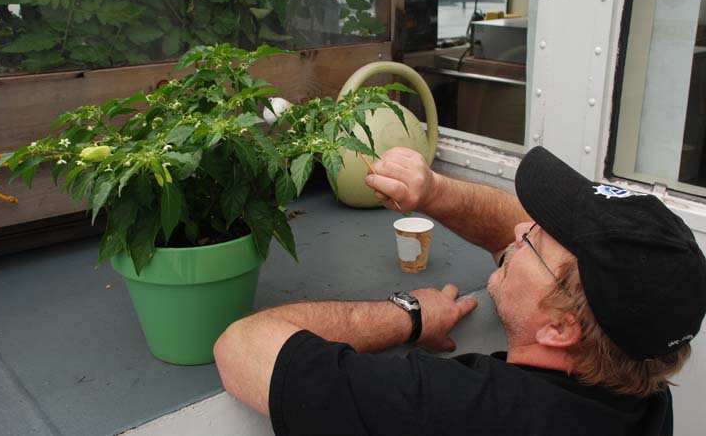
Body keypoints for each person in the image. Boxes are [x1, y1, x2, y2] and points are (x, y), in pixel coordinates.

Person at [214, 146, 706, 436]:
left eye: (533, 241)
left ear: (559, 326)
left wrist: (408, 314)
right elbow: (544, 261)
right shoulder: (643, 392)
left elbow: (241, 347)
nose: (517, 231)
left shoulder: (452, 411)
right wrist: (434, 193)